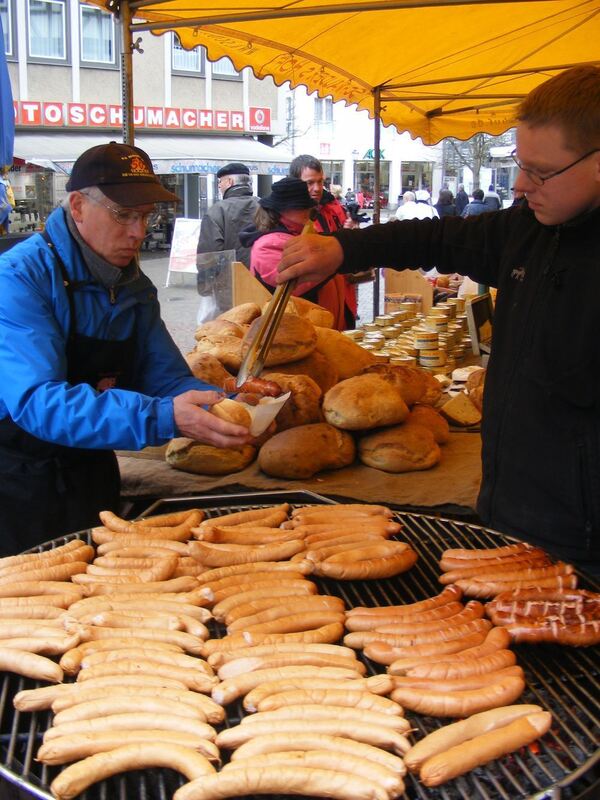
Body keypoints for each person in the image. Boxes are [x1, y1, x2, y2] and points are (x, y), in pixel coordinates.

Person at [278, 65, 600, 571]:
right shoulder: (531, 226)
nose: (519, 185)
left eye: (539, 172)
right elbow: (437, 237)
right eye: (520, 164)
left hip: (584, 538)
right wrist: (342, 246)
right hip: (509, 507)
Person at [0, 141, 269, 556]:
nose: (139, 233)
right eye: (123, 215)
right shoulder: (20, 279)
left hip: (90, 470)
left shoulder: (133, 286)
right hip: (17, 480)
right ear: (77, 206)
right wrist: (159, 416)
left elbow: (163, 376)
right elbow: (38, 401)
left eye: (145, 216)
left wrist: (222, 404)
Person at [289, 154, 358, 329]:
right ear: (296, 183)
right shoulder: (291, 214)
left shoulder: (333, 207)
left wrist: (350, 233)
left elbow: (344, 243)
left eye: (320, 182)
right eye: (310, 183)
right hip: (313, 300)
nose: (317, 188)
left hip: (343, 294)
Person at [196, 161, 258, 273]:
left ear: (230, 182)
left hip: (232, 280)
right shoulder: (265, 206)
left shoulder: (216, 211)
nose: (219, 185)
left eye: (220, 181)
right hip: (263, 280)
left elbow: (209, 257)